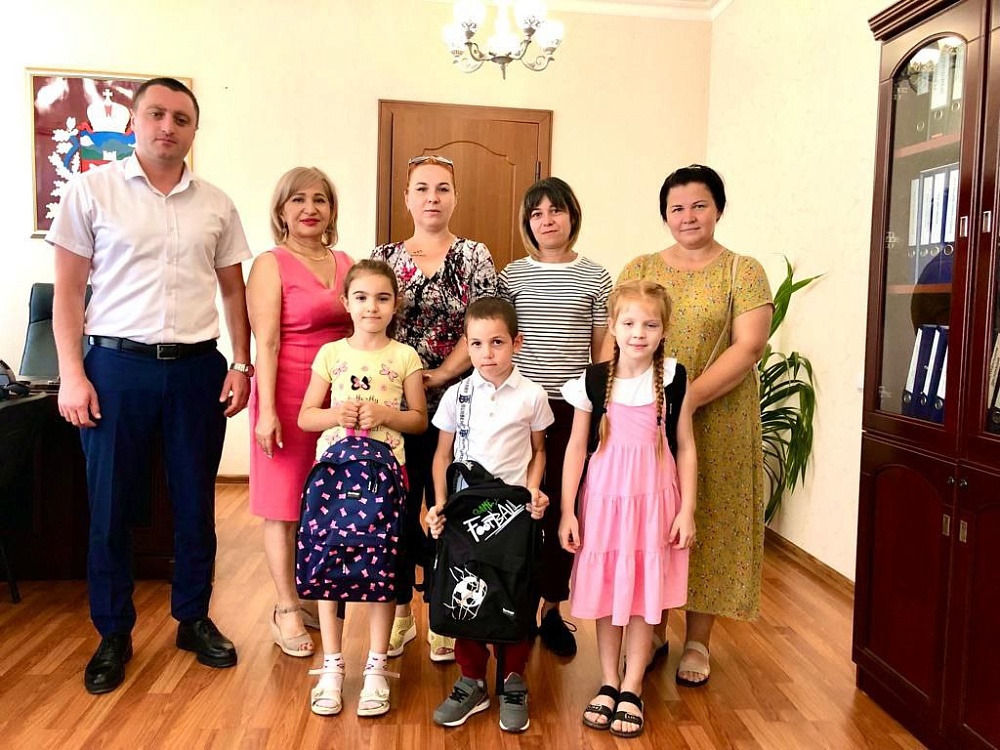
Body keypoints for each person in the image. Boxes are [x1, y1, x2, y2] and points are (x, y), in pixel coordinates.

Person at [47, 77, 252, 695]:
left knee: (195, 502)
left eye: (182, 118)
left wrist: (241, 364)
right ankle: (113, 631)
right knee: (110, 507)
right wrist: (72, 375)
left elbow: (234, 292)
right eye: (157, 114)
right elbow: (67, 294)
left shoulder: (216, 203)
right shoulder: (92, 191)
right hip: (116, 368)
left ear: (194, 130)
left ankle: (193, 618)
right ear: (133, 120)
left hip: (197, 369)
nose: (169, 126)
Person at [617, 164, 773, 688]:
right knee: (652, 519)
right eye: (677, 208)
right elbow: (620, 335)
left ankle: (699, 640)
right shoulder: (641, 266)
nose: (688, 216)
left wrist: (686, 398)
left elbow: (749, 346)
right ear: (665, 215)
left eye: (699, 205)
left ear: (719, 209)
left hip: (720, 416)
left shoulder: (742, 271)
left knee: (709, 518)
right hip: (645, 418)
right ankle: (653, 631)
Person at [371, 154, 498, 662]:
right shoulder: (383, 256)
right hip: (395, 407)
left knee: (451, 509)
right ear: (406, 197)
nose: (432, 198)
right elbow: (371, 322)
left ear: (455, 197)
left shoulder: (473, 255)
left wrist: (443, 373)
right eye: (422, 188)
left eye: (442, 188)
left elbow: (483, 322)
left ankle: (444, 614)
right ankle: (401, 613)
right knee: (400, 512)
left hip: (459, 404)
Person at [558, 280, 697, 738]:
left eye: (650, 325)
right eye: (630, 323)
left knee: (642, 593)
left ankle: (633, 685)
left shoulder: (674, 378)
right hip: (603, 504)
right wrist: (567, 511)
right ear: (613, 326)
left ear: (664, 330)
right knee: (608, 591)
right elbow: (575, 448)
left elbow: (685, 446)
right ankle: (608, 681)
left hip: (655, 506)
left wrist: (687, 510)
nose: (639, 333)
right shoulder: (593, 380)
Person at [297, 259, 427, 717]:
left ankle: (376, 667)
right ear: (346, 303)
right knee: (328, 560)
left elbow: (419, 420)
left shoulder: (405, 356)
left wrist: (386, 415)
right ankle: (332, 665)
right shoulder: (331, 354)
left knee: (382, 564)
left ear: (395, 304)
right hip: (334, 480)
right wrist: (337, 414)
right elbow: (306, 416)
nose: (372, 307)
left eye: (383, 298)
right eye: (362, 297)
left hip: (386, 481)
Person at [425, 297, 553, 733]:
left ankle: (514, 680)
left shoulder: (532, 395)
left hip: (513, 514)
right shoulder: (457, 395)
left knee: (516, 592)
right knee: (466, 591)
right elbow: (442, 456)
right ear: (467, 345)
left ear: (517, 342)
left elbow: (539, 450)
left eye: (497, 342)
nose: (487, 353)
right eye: (477, 344)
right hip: (466, 514)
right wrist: (438, 504)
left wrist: (533, 490)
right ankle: (472, 680)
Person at [498, 177, 611, 657]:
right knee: (521, 506)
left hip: (572, 410)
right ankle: (517, 607)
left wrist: (602, 407)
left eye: (556, 211)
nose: (547, 220)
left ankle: (551, 609)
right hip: (520, 408)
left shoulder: (596, 276)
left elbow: (603, 349)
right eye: (537, 213)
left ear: (572, 216)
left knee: (566, 507)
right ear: (528, 223)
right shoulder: (512, 276)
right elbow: (500, 340)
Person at [246, 166, 354, 658]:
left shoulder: (347, 261)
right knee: (283, 506)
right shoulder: (270, 264)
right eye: (298, 200)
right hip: (286, 395)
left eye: (320, 199)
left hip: (336, 398)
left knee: (326, 503)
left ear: (331, 209)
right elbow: (265, 343)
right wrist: (266, 410)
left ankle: (310, 594)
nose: (310, 209)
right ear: (281, 210)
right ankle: (285, 607)